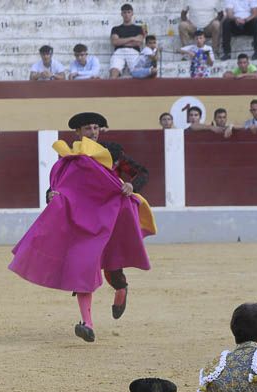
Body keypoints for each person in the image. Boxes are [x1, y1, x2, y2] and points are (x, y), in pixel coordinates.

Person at [9, 112, 155, 340]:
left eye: (96, 127)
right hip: (82, 219)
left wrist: (130, 185)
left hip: (112, 216)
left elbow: (141, 172)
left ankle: (121, 289)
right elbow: (58, 186)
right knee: (82, 263)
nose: (93, 132)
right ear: (78, 132)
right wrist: (51, 195)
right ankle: (87, 323)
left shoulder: (113, 152)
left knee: (113, 266)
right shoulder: (70, 158)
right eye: (88, 128)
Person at [110, 4, 146, 78]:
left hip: (134, 51)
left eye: (128, 12)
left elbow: (139, 42)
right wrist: (132, 38)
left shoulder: (138, 28)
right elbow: (115, 42)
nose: (126, 15)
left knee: (138, 72)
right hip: (119, 52)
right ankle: (111, 89)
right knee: (114, 72)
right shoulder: (116, 28)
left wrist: (121, 42)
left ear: (132, 13)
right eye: (124, 12)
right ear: (121, 14)